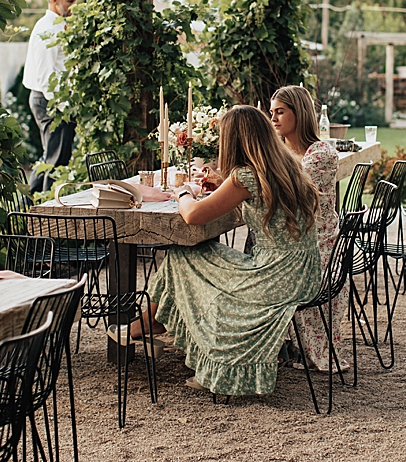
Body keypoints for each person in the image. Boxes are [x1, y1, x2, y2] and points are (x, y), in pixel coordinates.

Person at [133, 105, 322, 398]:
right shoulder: (286, 165)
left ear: (234, 140)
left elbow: (193, 216)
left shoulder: (246, 177)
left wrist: (184, 192)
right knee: (196, 253)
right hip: (302, 271)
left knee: (182, 254)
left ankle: (149, 323)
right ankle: (151, 323)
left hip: (275, 275)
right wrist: (223, 186)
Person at [270, 85, 346, 371]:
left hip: (319, 250)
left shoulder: (321, 154)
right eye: (271, 112)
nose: (273, 119)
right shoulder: (281, 151)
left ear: (298, 113)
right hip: (294, 242)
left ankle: (271, 347)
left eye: (280, 112)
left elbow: (284, 194)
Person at [23, 0, 77, 194]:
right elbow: (46, 76)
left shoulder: (58, 25)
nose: (74, 5)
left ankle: (30, 205)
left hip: (55, 100)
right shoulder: (47, 29)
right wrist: (64, 107)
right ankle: (44, 208)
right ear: (54, 0)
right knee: (55, 161)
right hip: (50, 101)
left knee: (52, 157)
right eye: (69, 1)